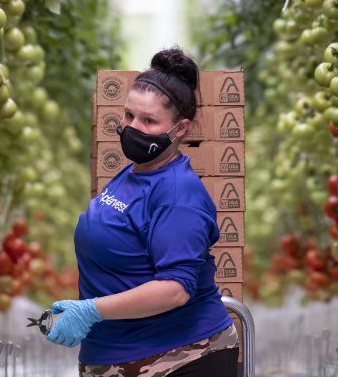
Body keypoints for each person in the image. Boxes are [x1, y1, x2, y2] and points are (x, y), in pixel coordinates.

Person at [44, 47, 238, 377]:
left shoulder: (178, 195)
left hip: (176, 358)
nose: (133, 127)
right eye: (129, 115)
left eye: (149, 121)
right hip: (119, 355)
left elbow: (175, 289)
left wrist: (92, 309)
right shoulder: (134, 172)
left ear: (179, 129)